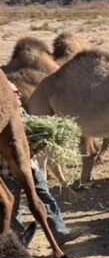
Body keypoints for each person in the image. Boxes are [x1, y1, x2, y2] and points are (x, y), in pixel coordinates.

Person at [0, 82, 84, 247]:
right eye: (14, 92)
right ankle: (19, 241)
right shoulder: (5, 119)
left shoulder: (22, 114)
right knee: (13, 206)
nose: (18, 95)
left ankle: (59, 232)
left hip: (30, 166)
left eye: (17, 92)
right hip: (6, 170)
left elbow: (31, 138)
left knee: (45, 197)